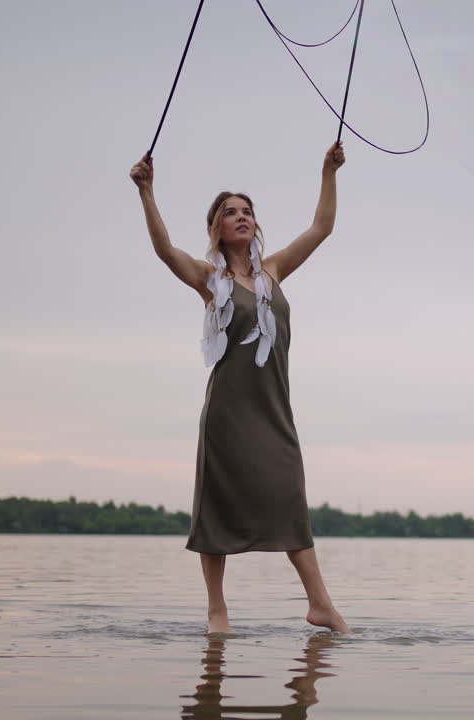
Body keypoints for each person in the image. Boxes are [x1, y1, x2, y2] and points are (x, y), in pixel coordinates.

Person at [129, 142, 349, 634]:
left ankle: (320, 604)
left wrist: (328, 172)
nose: (242, 217)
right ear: (217, 228)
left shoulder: (274, 271)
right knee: (218, 505)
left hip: (273, 410)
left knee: (290, 495)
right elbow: (165, 250)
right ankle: (217, 609)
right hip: (228, 413)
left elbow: (321, 227)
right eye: (231, 212)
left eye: (247, 211)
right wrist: (146, 191)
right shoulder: (210, 280)